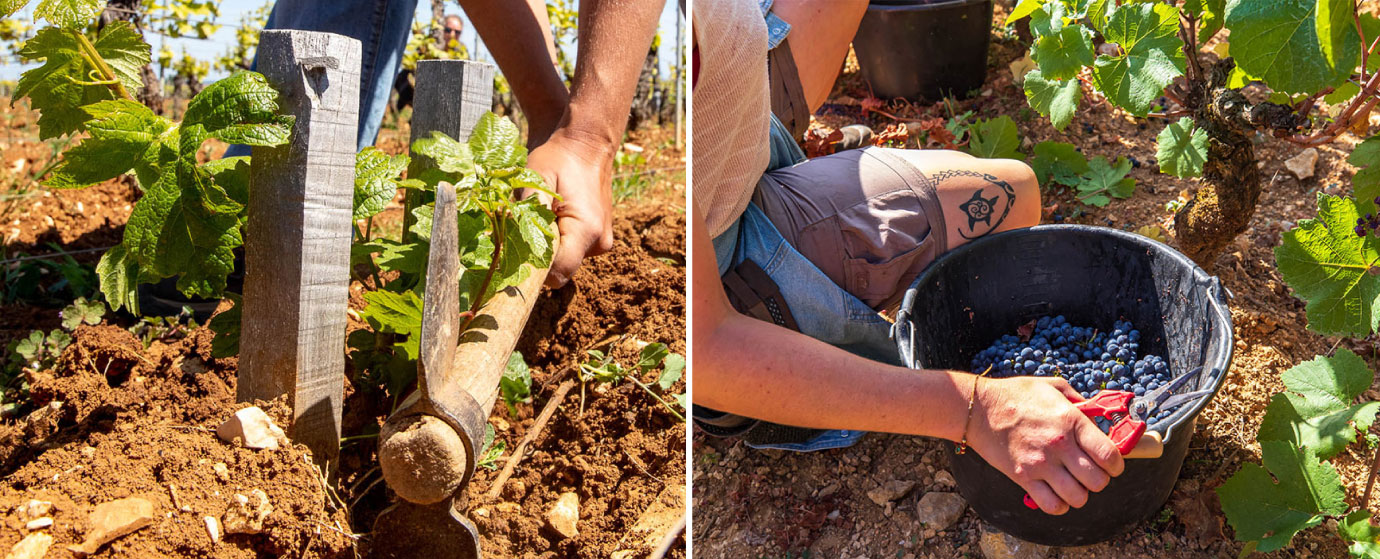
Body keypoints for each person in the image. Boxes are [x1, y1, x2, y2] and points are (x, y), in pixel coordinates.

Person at [690, 0, 1124, 516]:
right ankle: (759, 367)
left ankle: (788, 157)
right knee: (1013, 191)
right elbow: (704, 350)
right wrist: (975, 410)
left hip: (733, 112)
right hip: (729, 248)